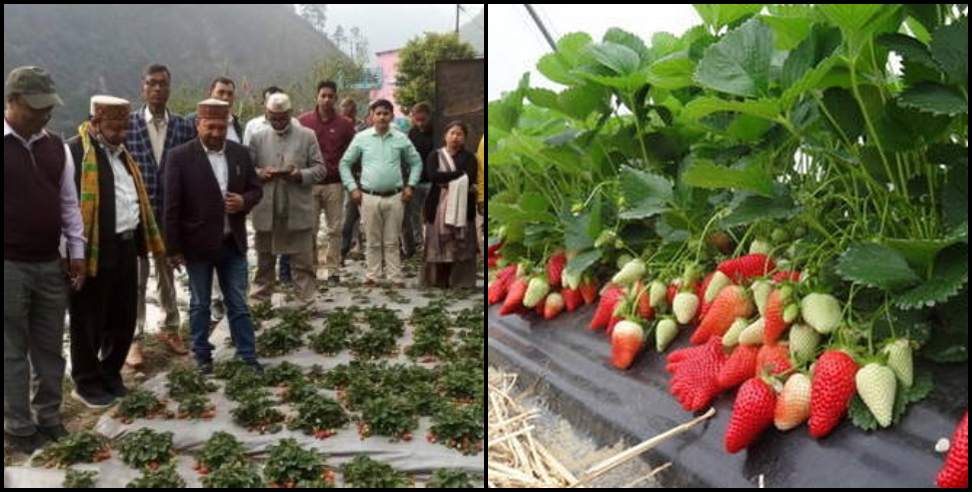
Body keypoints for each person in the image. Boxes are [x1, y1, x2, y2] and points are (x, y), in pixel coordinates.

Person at [67, 96, 166, 408]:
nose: (122, 133)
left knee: (122, 317)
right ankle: (85, 382)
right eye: (114, 126)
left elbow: (131, 198)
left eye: (125, 126)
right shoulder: (76, 152)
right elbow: (68, 206)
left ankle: (111, 374)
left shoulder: (122, 154)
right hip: (93, 249)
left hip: (125, 246)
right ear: (96, 121)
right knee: (88, 318)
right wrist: (72, 253)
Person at [4, 66, 83, 452]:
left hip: (50, 263)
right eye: (36, 107)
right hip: (8, 266)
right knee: (11, 350)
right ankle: (18, 427)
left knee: (50, 347)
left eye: (49, 107)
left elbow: (69, 203)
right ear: (12, 102)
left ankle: (49, 418)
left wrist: (77, 252)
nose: (44, 115)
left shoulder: (56, 147)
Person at [163, 99, 263, 374]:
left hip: (233, 243)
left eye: (221, 127)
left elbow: (256, 189)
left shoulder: (240, 153)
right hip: (197, 245)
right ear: (198, 125)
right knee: (200, 304)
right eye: (210, 127)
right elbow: (171, 206)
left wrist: (243, 201)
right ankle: (202, 356)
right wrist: (172, 249)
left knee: (239, 303)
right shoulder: (180, 157)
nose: (216, 133)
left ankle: (247, 356)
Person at [125, 64, 195, 365]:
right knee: (136, 278)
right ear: (143, 87)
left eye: (162, 84)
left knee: (168, 274)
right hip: (137, 214)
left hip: (169, 214)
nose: (157, 89)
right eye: (151, 83)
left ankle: (170, 328)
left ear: (169, 88)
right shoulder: (128, 125)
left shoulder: (182, 126)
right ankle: (134, 338)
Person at [251, 93, 328, 302]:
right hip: (267, 208)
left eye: (282, 118)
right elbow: (248, 170)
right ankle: (260, 299)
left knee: (302, 260)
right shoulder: (257, 138)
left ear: (290, 114)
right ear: (266, 114)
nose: (277, 122)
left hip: (296, 207)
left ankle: (306, 299)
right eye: (273, 118)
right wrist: (260, 173)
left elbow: (321, 169)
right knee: (264, 260)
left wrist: (299, 175)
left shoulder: (307, 135)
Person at [338, 99, 423, 287]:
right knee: (372, 239)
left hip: (396, 195)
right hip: (368, 195)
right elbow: (345, 163)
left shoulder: (401, 138)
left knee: (393, 240)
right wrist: (352, 187)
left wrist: (411, 185)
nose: (382, 117)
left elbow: (416, 162)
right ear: (371, 116)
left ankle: (395, 277)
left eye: (386, 113)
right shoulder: (362, 138)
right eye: (378, 113)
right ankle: (372, 275)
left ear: (391, 116)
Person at [298, 81, 355, 283]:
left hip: (335, 183)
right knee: (309, 228)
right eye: (323, 95)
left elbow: (352, 153)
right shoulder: (303, 122)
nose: (327, 99)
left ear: (336, 98)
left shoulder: (345, 125)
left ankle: (333, 269)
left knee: (335, 229)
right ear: (317, 96)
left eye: (331, 96)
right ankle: (311, 268)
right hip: (309, 184)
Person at [422, 121, 479, 288]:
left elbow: (469, 177)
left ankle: (460, 282)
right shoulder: (435, 155)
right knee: (438, 242)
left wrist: (448, 176)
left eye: (459, 134)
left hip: (462, 205)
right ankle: (437, 281)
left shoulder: (469, 158)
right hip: (437, 204)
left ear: (465, 138)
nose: (455, 137)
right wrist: (458, 174)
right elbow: (433, 176)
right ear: (445, 136)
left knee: (460, 244)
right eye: (452, 133)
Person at [403, 102, 435, 259]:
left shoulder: (436, 132)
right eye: (417, 119)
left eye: (423, 119)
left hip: (431, 179)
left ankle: (431, 241)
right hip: (415, 180)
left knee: (430, 212)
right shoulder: (412, 134)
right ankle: (418, 242)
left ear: (429, 117)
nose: (420, 122)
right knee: (414, 214)